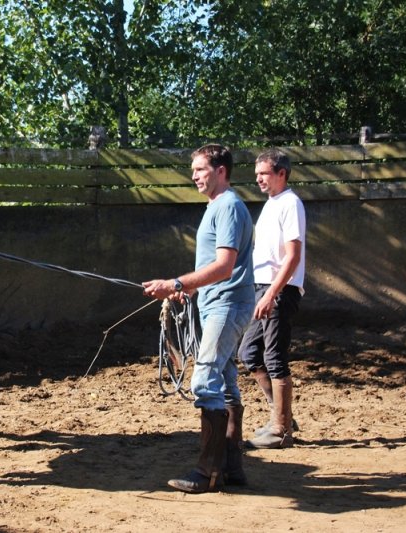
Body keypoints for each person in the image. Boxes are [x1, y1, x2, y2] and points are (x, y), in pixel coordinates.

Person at [142, 144, 254, 493]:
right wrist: (189, 289)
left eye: (200, 169)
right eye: (194, 170)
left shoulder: (228, 206)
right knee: (226, 381)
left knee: (204, 381)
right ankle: (232, 468)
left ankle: (208, 473)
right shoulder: (216, 206)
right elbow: (213, 267)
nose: (194, 176)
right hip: (217, 302)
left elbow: (224, 266)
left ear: (221, 171)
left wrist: (177, 283)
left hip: (226, 305)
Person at [239, 149, 305, 449]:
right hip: (263, 288)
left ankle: (281, 430)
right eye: (257, 174)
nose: (258, 179)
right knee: (249, 353)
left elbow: (293, 256)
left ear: (281, 173)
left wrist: (272, 293)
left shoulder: (290, 204)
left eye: (264, 173)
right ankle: (282, 415)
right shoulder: (271, 204)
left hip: (280, 290)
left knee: (274, 357)